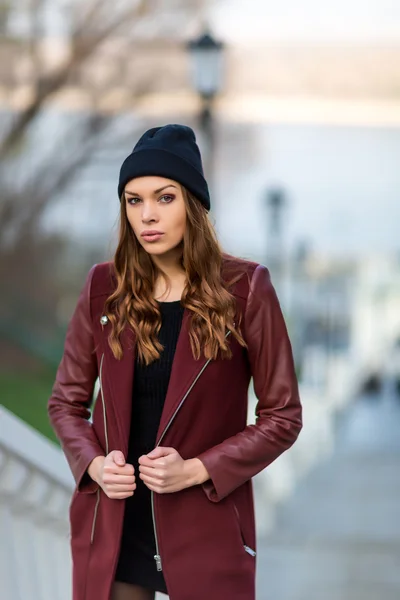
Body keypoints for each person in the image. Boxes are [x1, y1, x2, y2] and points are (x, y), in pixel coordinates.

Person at [48, 124, 302, 600]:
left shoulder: (246, 289)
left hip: (204, 524)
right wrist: (96, 466)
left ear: (193, 204)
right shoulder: (105, 287)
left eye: (164, 198)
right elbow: (66, 403)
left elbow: (283, 416)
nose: (147, 216)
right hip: (116, 526)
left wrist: (198, 469)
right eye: (133, 200)